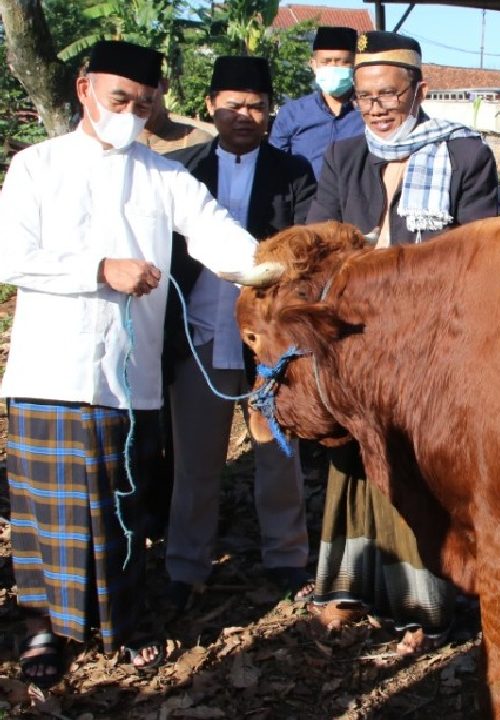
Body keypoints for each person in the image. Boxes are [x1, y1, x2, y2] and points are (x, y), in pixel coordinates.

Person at [0, 40, 262, 687]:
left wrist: (285, 269)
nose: (132, 114)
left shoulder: (165, 176)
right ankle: (41, 629)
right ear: (84, 88)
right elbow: (10, 257)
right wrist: (100, 269)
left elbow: (220, 237)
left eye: (144, 105)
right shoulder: (37, 166)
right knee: (45, 515)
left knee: (121, 509)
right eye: (121, 99)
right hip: (51, 372)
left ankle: (123, 620)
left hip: (130, 374)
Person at [305, 30, 500, 655]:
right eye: (365, 97)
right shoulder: (344, 155)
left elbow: (479, 254)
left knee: (420, 467)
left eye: (389, 94)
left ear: (418, 90)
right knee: (352, 463)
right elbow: (320, 244)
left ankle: (425, 601)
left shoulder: (466, 155)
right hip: (355, 342)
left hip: (430, 344)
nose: (377, 108)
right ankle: (348, 586)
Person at [161, 56, 317, 612]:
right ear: (210, 107)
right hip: (200, 335)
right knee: (195, 460)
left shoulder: (295, 173)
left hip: (270, 340)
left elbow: (305, 251)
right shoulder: (179, 170)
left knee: (278, 453)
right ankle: (185, 564)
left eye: (255, 105)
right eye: (232, 105)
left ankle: (286, 558)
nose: (244, 115)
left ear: (270, 111)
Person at [268, 26, 365, 179]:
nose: (333, 68)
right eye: (326, 62)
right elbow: (274, 166)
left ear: (356, 64)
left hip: (354, 200)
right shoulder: (292, 114)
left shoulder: (369, 113)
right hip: (306, 200)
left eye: (343, 62)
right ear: (313, 64)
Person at [140, 77, 213, 154]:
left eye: (145, 84)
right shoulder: (127, 142)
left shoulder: (199, 143)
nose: (138, 96)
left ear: (164, 85)